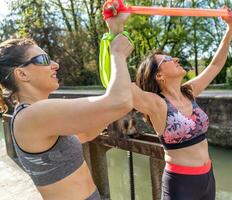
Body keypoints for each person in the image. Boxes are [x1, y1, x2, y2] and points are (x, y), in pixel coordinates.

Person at [0, 12, 133, 200]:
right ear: (22, 74)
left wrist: (115, 31)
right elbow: (120, 101)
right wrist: (117, 54)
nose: (55, 64)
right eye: (43, 60)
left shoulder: (39, 116)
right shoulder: (32, 115)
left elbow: (86, 133)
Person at [131, 7, 232, 200]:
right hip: (181, 184)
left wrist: (229, 29)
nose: (176, 59)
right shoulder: (156, 104)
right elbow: (122, 88)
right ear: (159, 75)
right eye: (168, 59)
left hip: (207, 178)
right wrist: (114, 34)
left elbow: (215, 66)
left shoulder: (189, 92)